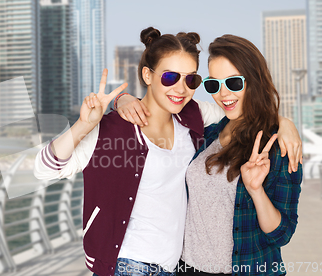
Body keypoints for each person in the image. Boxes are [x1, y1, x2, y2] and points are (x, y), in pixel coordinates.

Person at [116, 34, 302, 276]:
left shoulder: (278, 145)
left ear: (254, 81)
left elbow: (281, 234)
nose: (223, 94)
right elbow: (159, 105)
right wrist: (122, 98)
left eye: (234, 83)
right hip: (186, 269)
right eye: (214, 84)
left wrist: (256, 191)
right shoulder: (209, 132)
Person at [35, 27, 211, 276]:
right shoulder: (111, 130)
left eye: (191, 79)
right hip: (127, 266)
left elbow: (242, 113)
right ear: (148, 76)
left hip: (172, 267)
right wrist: (85, 123)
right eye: (170, 77)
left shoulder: (192, 116)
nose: (181, 89)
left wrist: (285, 125)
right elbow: (43, 169)